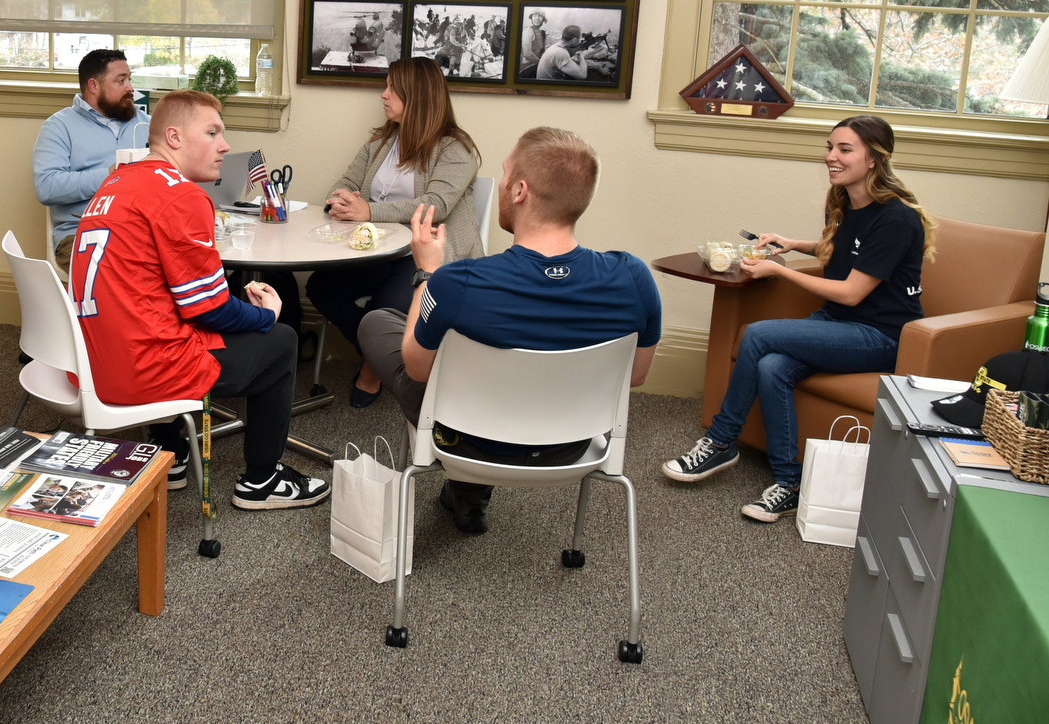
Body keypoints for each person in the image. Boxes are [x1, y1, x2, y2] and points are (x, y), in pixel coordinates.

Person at [358, 127, 660, 535]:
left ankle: (468, 486)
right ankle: (468, 496)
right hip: (570, 447)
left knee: (380, 324)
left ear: (520, 191)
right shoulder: (634, 278)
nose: (499, 185)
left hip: (470, 443)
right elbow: (636, 376)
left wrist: (426, 274)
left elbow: (416, 369)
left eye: (503, 175)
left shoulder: (458, 281)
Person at [664, 115, 935, 522]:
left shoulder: (896, 218)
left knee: (756, 335)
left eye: (845, 150)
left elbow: (852, 290)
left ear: (875, 159)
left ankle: (721, 442)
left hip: (879, 336)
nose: (832, 157)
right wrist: (793, 244)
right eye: (830, 147)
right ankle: (789, 483)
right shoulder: (845, 200)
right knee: (773, 367)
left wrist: (780, 270)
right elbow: (845, 253)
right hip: (837, 324)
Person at [70, 90, 330, 510]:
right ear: (173, 137)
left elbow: (166, 292)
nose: (225, 146)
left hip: (90, 359)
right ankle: (261, 482)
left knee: (173, 316)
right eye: (212, 132)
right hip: (139, 371)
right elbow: (206, 308)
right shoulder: (182, 195)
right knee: (280, 340)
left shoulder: (117, 179)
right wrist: (264, 316)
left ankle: (169, 457)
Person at [308, 58, 482, 409]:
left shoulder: (455, 149)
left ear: (417, 96)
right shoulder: (381, 143)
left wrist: (369, 210)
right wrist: (343, 199)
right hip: (377, 250)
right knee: (320, 287)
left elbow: (435, 205)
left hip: (424, 254)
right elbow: (347, 181)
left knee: (383, 309)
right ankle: (387, 358)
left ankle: (372, 370)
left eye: (392, 88)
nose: (383, 95)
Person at [32, 48, 150, 273]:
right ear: (94, 86)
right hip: (83, 234)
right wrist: (110, 175)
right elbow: (46, 187)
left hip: (143, 232)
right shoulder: (58, 127)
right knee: (128, 275)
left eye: (130, 79)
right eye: (121, 81)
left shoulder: (147, 124)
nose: (131, 88)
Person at [518, 10, 550, 76]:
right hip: (527, 67)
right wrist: (542, 64)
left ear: (543, 19)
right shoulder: (528, 31)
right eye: (535, 16)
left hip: (537, 65)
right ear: (531, 18)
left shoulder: (541, 32)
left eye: (540, 16)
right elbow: (527, 54)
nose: (537, 18)